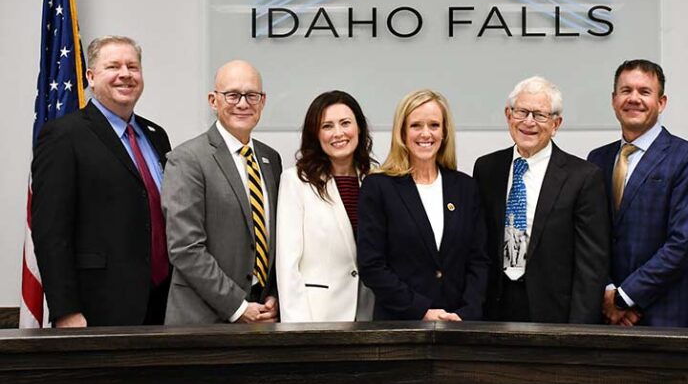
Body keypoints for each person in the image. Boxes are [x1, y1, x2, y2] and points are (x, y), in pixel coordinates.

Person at [31, 36, 172, 327]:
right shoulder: (63, 136)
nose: (125, 74)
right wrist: (65, 309)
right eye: (113, 66)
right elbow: (50, 232)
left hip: (164, 302)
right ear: (91, 77)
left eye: (133, 66)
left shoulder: (156, 135)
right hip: (99, 307)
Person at [473, 76, 610, 323]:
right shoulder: (486, 169)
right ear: (508, 115)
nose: (528, 122)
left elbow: (591, 266)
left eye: (539, 115)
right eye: (522, 112)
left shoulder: (584, 177)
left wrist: (579, 331)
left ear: (556, 124)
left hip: (553, 314)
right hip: (493, 310)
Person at [587, 60, 688, 328]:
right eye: (626, 91)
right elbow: (591, 238)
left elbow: (684, 244)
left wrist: (625, 297)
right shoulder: (597, 159)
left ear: (662, 102)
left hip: (667, 314)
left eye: (644, 92)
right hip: (606, 315)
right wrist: (608, 292)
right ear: (613, 99)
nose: (634, 99)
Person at [162, 60, 282, 325]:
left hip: (262, 317)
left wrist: (274, 295)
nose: (243, 103)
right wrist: (238, 307)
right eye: (232, 95)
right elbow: (185, 247)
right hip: (203, 322)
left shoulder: (270, 159)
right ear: (213, 100)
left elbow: (273, 240)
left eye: (252, 95)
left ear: (262, 102)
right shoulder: (187, 159)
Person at [358, 89, 489, 321]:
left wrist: (466, 313)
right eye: (416, 125)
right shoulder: (378, 187)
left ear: (445, 132)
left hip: (458, 328)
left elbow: (478, 260)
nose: (425, 134)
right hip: (400, 329)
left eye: (434, 125)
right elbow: (372, 265)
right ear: (402, 132)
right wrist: (422, 310)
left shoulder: (465, 188)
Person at [277, 91, 376, 322]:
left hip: (371, 314)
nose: (338, 133)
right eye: (327, 126)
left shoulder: (376, 179)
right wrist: (297, 331)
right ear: (316, 134)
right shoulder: (296, 181)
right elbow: (287, 264)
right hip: (317, 317)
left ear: (359, 128)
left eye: (345, 123)